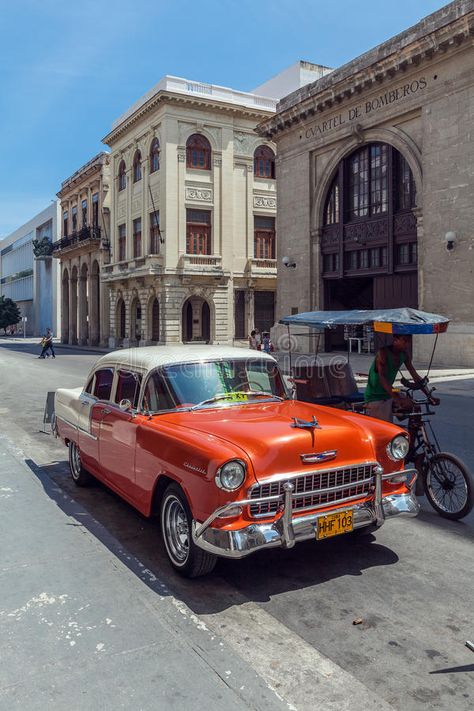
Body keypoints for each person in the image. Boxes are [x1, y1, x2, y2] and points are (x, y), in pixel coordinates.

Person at [364, 333, 438, 422]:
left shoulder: (404, 354)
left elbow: (415, 376)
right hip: (375, 396)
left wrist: (429, 395)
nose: (407, 344)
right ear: (395, 339)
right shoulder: (383, 353)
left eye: (409, 341)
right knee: (386, 427)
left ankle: (412, 435)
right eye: (405, 341)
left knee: (415, 408)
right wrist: (397, 398)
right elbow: (382, 378)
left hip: (393, 390)